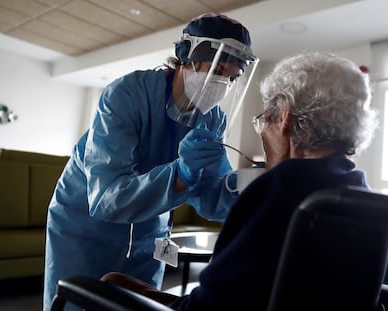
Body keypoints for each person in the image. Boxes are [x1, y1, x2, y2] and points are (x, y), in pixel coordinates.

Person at [101, 51, 378, 310]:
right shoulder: (364, 198)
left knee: (110, 283)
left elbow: (209, 306)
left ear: (284, 119)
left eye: (264, 120)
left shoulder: (275, 190)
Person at [43, 13, 259, 311]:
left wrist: (250, 185)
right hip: (85, 228)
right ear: (187, 58)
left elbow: (210, 199)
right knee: (78, 302)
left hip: (150, 229)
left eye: (232, 77)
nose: (222, 83)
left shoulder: (213, 119)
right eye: (218, 69)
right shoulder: (127, 94)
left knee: (141, 304)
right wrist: (180, 175)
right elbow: (106, 199)